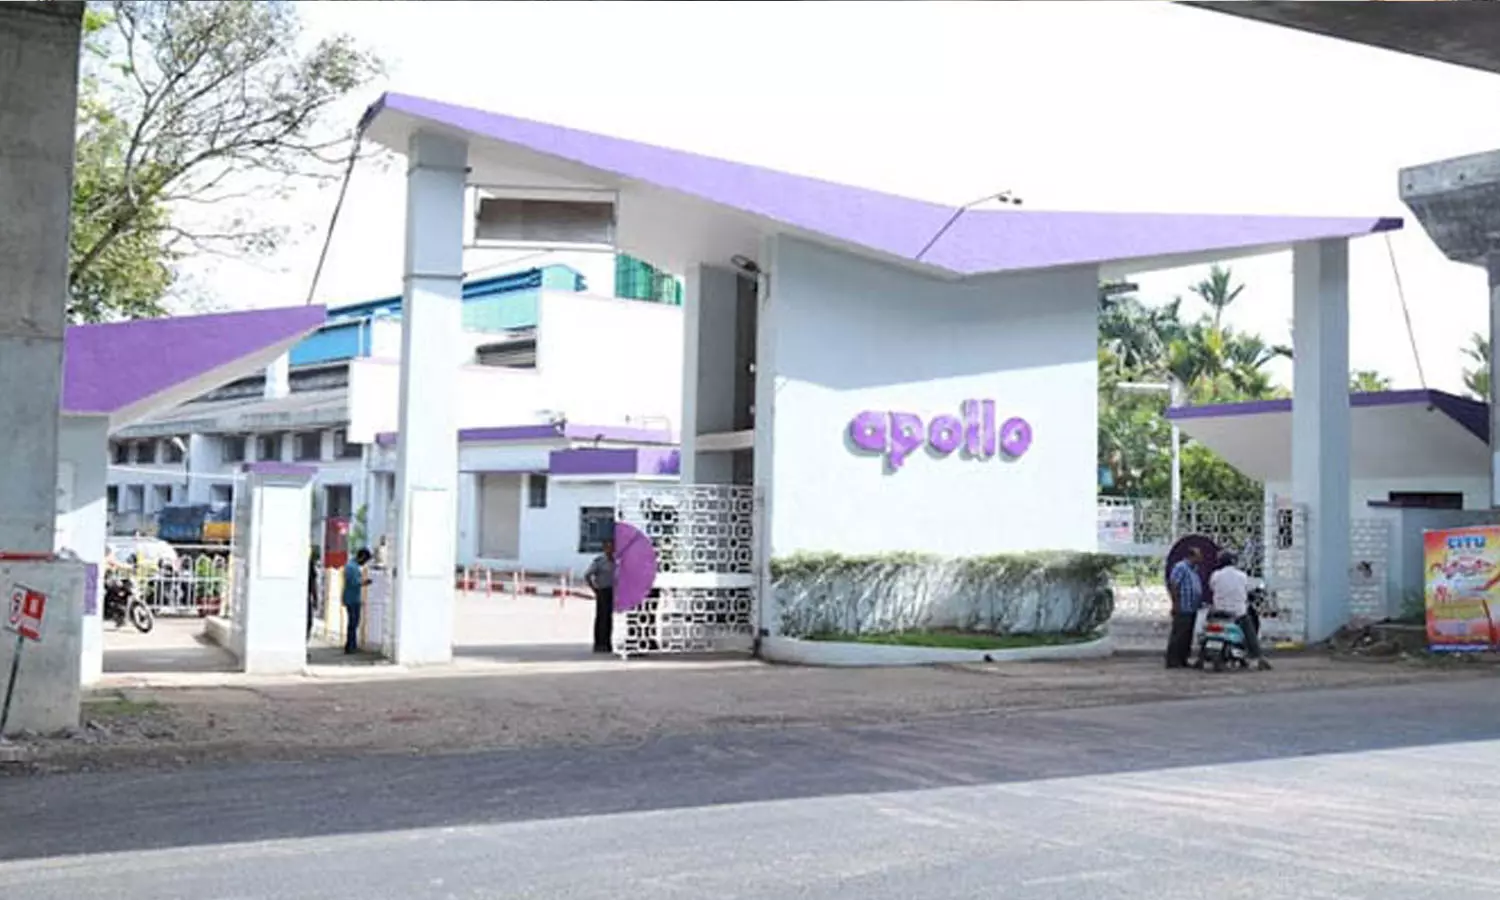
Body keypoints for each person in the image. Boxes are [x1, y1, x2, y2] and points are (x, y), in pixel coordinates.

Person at [1207, 551, 1272, 671]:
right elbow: (1246, 588)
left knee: (1207, 625)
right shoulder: (1241, 575)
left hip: (1219, 611)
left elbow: (1212, 587)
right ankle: (1258, 656)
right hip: (1237, 612)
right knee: (1250, 631)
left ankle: (1201, 657)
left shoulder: (1215, 575)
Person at [1165, 546, 1205, 669]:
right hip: (1182, 607)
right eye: (1198, 555)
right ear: (1191, 556)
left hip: (1191, 608)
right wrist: (1176, 604)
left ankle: (1183, 659)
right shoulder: (1181, 567)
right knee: (1179, 634)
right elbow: (1174, 585)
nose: (1201, 558)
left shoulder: (1193, 570)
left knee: (1187, 635)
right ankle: (1173, 660)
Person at [585, 538, 615, 654]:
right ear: (604, 548)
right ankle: (599, 644)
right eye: (608, 547)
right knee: (601, 618)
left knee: (609, 619)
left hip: (613, 591)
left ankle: (607, 643)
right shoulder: (599, 561)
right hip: (602, 591)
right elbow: (587, 575)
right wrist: (594, 589)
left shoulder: (617, 561)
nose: (610, 549)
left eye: (612, 547)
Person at [342, 548, 373, 655]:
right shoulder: (351, 567)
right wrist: (365, 582)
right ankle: (350, 646)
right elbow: (354, 582)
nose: (364, 563)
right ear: (362, 557)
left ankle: (352, 644)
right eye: (365, 560)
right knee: (353, 622)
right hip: (352, 598)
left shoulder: (352, 566)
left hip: (354, 598)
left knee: (355, 622)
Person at [306, 547, 320, 640]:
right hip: (306, 597)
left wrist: (315, 598)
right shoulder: (309, 563)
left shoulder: (309, 563)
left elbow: (313, 582)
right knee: (308, 622)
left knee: (308, 622)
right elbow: (313, 583)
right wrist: (315, 599)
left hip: (306, 597)